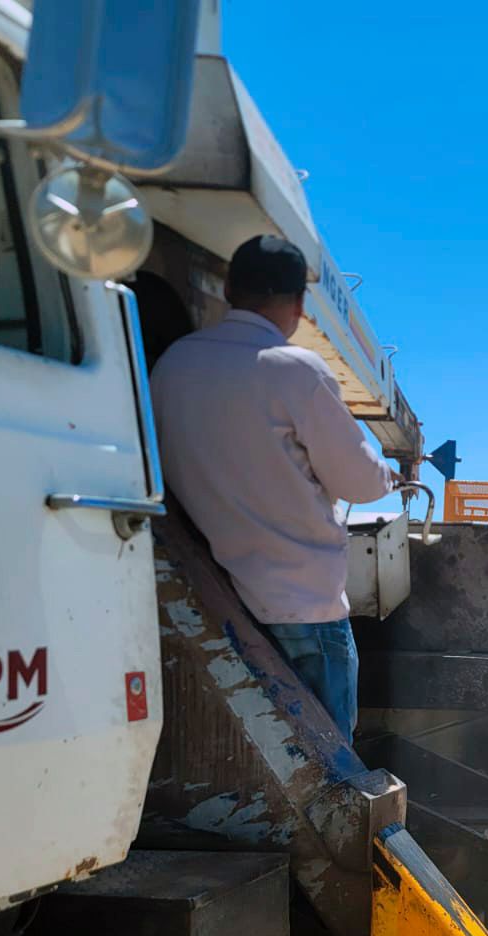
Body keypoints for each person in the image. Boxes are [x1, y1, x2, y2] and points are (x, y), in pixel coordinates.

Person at [150, 235, 397, 738]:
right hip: (302, 608)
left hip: (213, 595)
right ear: (300, 305)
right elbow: (363, 482)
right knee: (332, 773)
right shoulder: (296, 369)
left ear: (229, 288)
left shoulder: (171, 365)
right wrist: (389, 471)